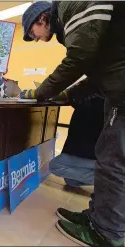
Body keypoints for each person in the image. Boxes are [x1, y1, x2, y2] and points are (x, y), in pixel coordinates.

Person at [20, 1, 125, 246]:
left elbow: (80, 57)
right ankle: (98, 218)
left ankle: (107, 234)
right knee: (106, 156)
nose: (35, 39)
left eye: (32, 34)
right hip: (117, 88)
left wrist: (40, 92)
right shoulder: (75, 18)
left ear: (41, 19)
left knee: (113, 163)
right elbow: (95, 67)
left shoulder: (71, 6)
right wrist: (67, 94)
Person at [49, 80, 104, 188]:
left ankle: (108, 180)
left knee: (54, 166)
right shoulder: (95, 97)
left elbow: (64, 95)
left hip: (90, 153)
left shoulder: (88, 98)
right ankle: (104, 173)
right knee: (71, 181)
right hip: (91, 151)